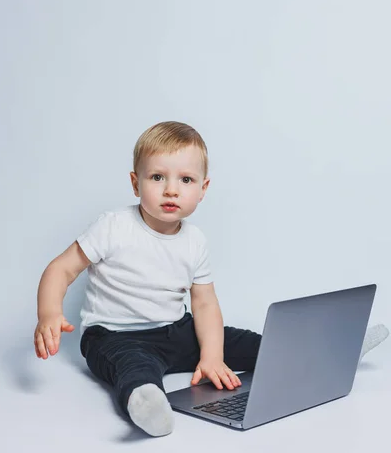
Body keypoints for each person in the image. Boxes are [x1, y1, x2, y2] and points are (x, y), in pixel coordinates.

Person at [34, 121, 389, 437]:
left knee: (246, 342)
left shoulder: (195, 240)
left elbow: (204, 303)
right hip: (116, 335)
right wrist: (49, 313)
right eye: (158, 177)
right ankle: (145, 402)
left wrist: (213, 356)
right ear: (135, 182)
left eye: (185, 180)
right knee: (135, 368)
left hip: (175, 329)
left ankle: (332, 353)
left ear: (202, 189)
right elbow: (61, 269)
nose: (171, 190)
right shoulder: (113, 226)